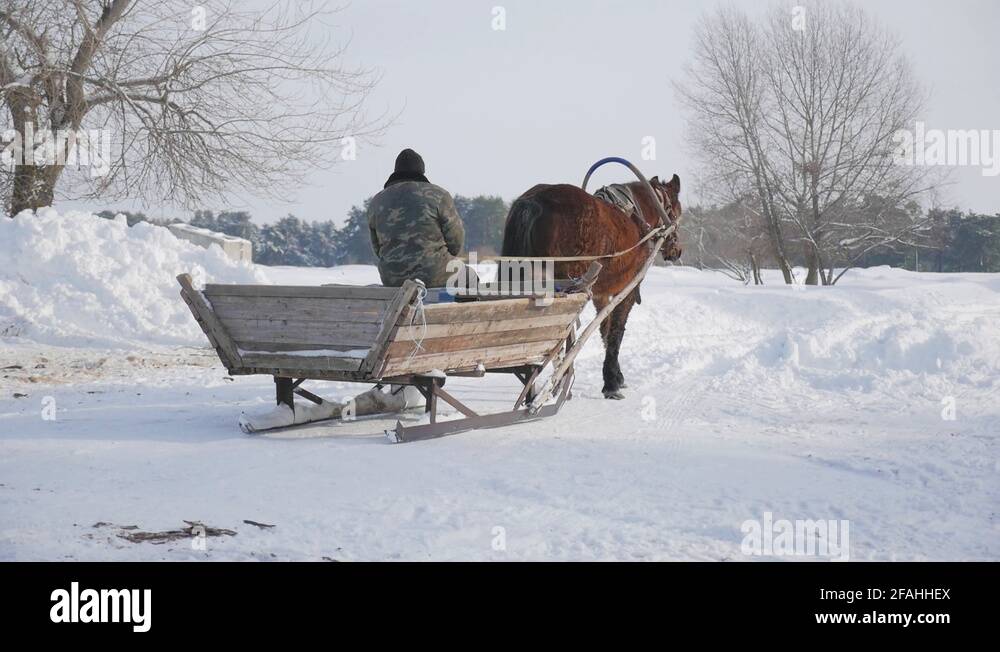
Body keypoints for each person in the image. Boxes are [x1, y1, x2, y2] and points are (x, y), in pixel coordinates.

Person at [367, 148, 474, 290]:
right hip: (434, 272)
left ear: (395, 171)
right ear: (422, 171)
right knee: (470, 276)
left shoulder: (377, 201)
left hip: (392, 277)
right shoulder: (439, 195)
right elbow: (456, 240)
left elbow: (377, 247)